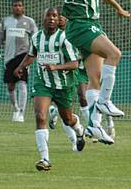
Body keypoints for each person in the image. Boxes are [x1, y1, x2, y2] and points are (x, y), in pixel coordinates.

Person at [61, 0, 130, 143]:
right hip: (80, 25)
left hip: (91, 24)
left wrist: (118, 8)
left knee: (95, 78)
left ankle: (94, 125)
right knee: (114, 54)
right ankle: (105, 102)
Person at [14, 8, 85, 171]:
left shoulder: (64, 38)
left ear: (58, 19)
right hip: (43, 83)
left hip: (64, 85)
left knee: (68, 119)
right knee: (40, 117)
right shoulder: (36, 37)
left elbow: (74, 64)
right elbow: (32, 54)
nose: (52, 18)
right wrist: (20, 66)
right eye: (49, 15)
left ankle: (79, 129)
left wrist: (56, 67)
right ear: (43, 18)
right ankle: (44, 158)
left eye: (55, 16)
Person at [48, 9, 115, 144]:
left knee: (100, 98)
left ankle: (109, 124)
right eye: (58, 17)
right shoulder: (61, 36)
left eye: (63, 17)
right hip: (76, 70)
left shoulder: (91, 31)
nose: (60, 19)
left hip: (90, 67)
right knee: (82, 97)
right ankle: (94, 128)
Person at [0, 0, 38, 122]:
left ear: (23, 7)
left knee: (22, 82)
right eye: (15, 5)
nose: (17, 7)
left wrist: (34, 52)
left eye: (20, 5)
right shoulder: (6, 21)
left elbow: (36, 38)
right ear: (12, 7)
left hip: (23, 55)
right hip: (9, 57)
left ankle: (22, 112)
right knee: (10, 86)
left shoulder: (29, 22)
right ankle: (15, 109)